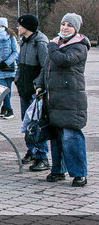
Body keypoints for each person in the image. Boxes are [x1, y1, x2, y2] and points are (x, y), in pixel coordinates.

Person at [35, 13, 89, 187]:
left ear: (76, 29)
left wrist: (51, 46)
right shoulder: (57, 44)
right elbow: (46, 67)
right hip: (54, 100)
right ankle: (58, 170)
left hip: (71, 101)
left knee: (71, 137)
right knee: (56, 137)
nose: (65, 27)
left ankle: (79, 174)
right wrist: (39, 84)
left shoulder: (79, 46)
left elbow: (63, 60)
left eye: (69, 25)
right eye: (63, 24)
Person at [14, 14, 50, 172]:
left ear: (27, 27)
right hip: (24, 88)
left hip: (35, 90)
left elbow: (46, 67)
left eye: (19, 25)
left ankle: (42, 156)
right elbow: (20, 64)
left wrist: (39, 85)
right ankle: (32, 150)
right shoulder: (25, 41)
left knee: (36, 123)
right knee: (27, 121)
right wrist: (17, 79)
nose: (17, 28)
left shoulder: (40, 43)